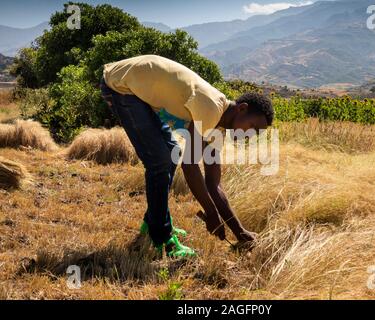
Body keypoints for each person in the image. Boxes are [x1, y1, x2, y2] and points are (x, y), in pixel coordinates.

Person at [100, 55, 274, 258]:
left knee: (170, 155)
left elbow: (213, 183)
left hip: (136, 88)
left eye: (255, 133)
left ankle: (153, 223)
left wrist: (239, 231)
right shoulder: (211, 108)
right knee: (160, 161)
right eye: (252, 126)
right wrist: (210, 213)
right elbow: (190, 166)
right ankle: (161, 238)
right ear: (242, 109)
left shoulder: (218, 128)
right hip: (122, 86)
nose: (249, 134)